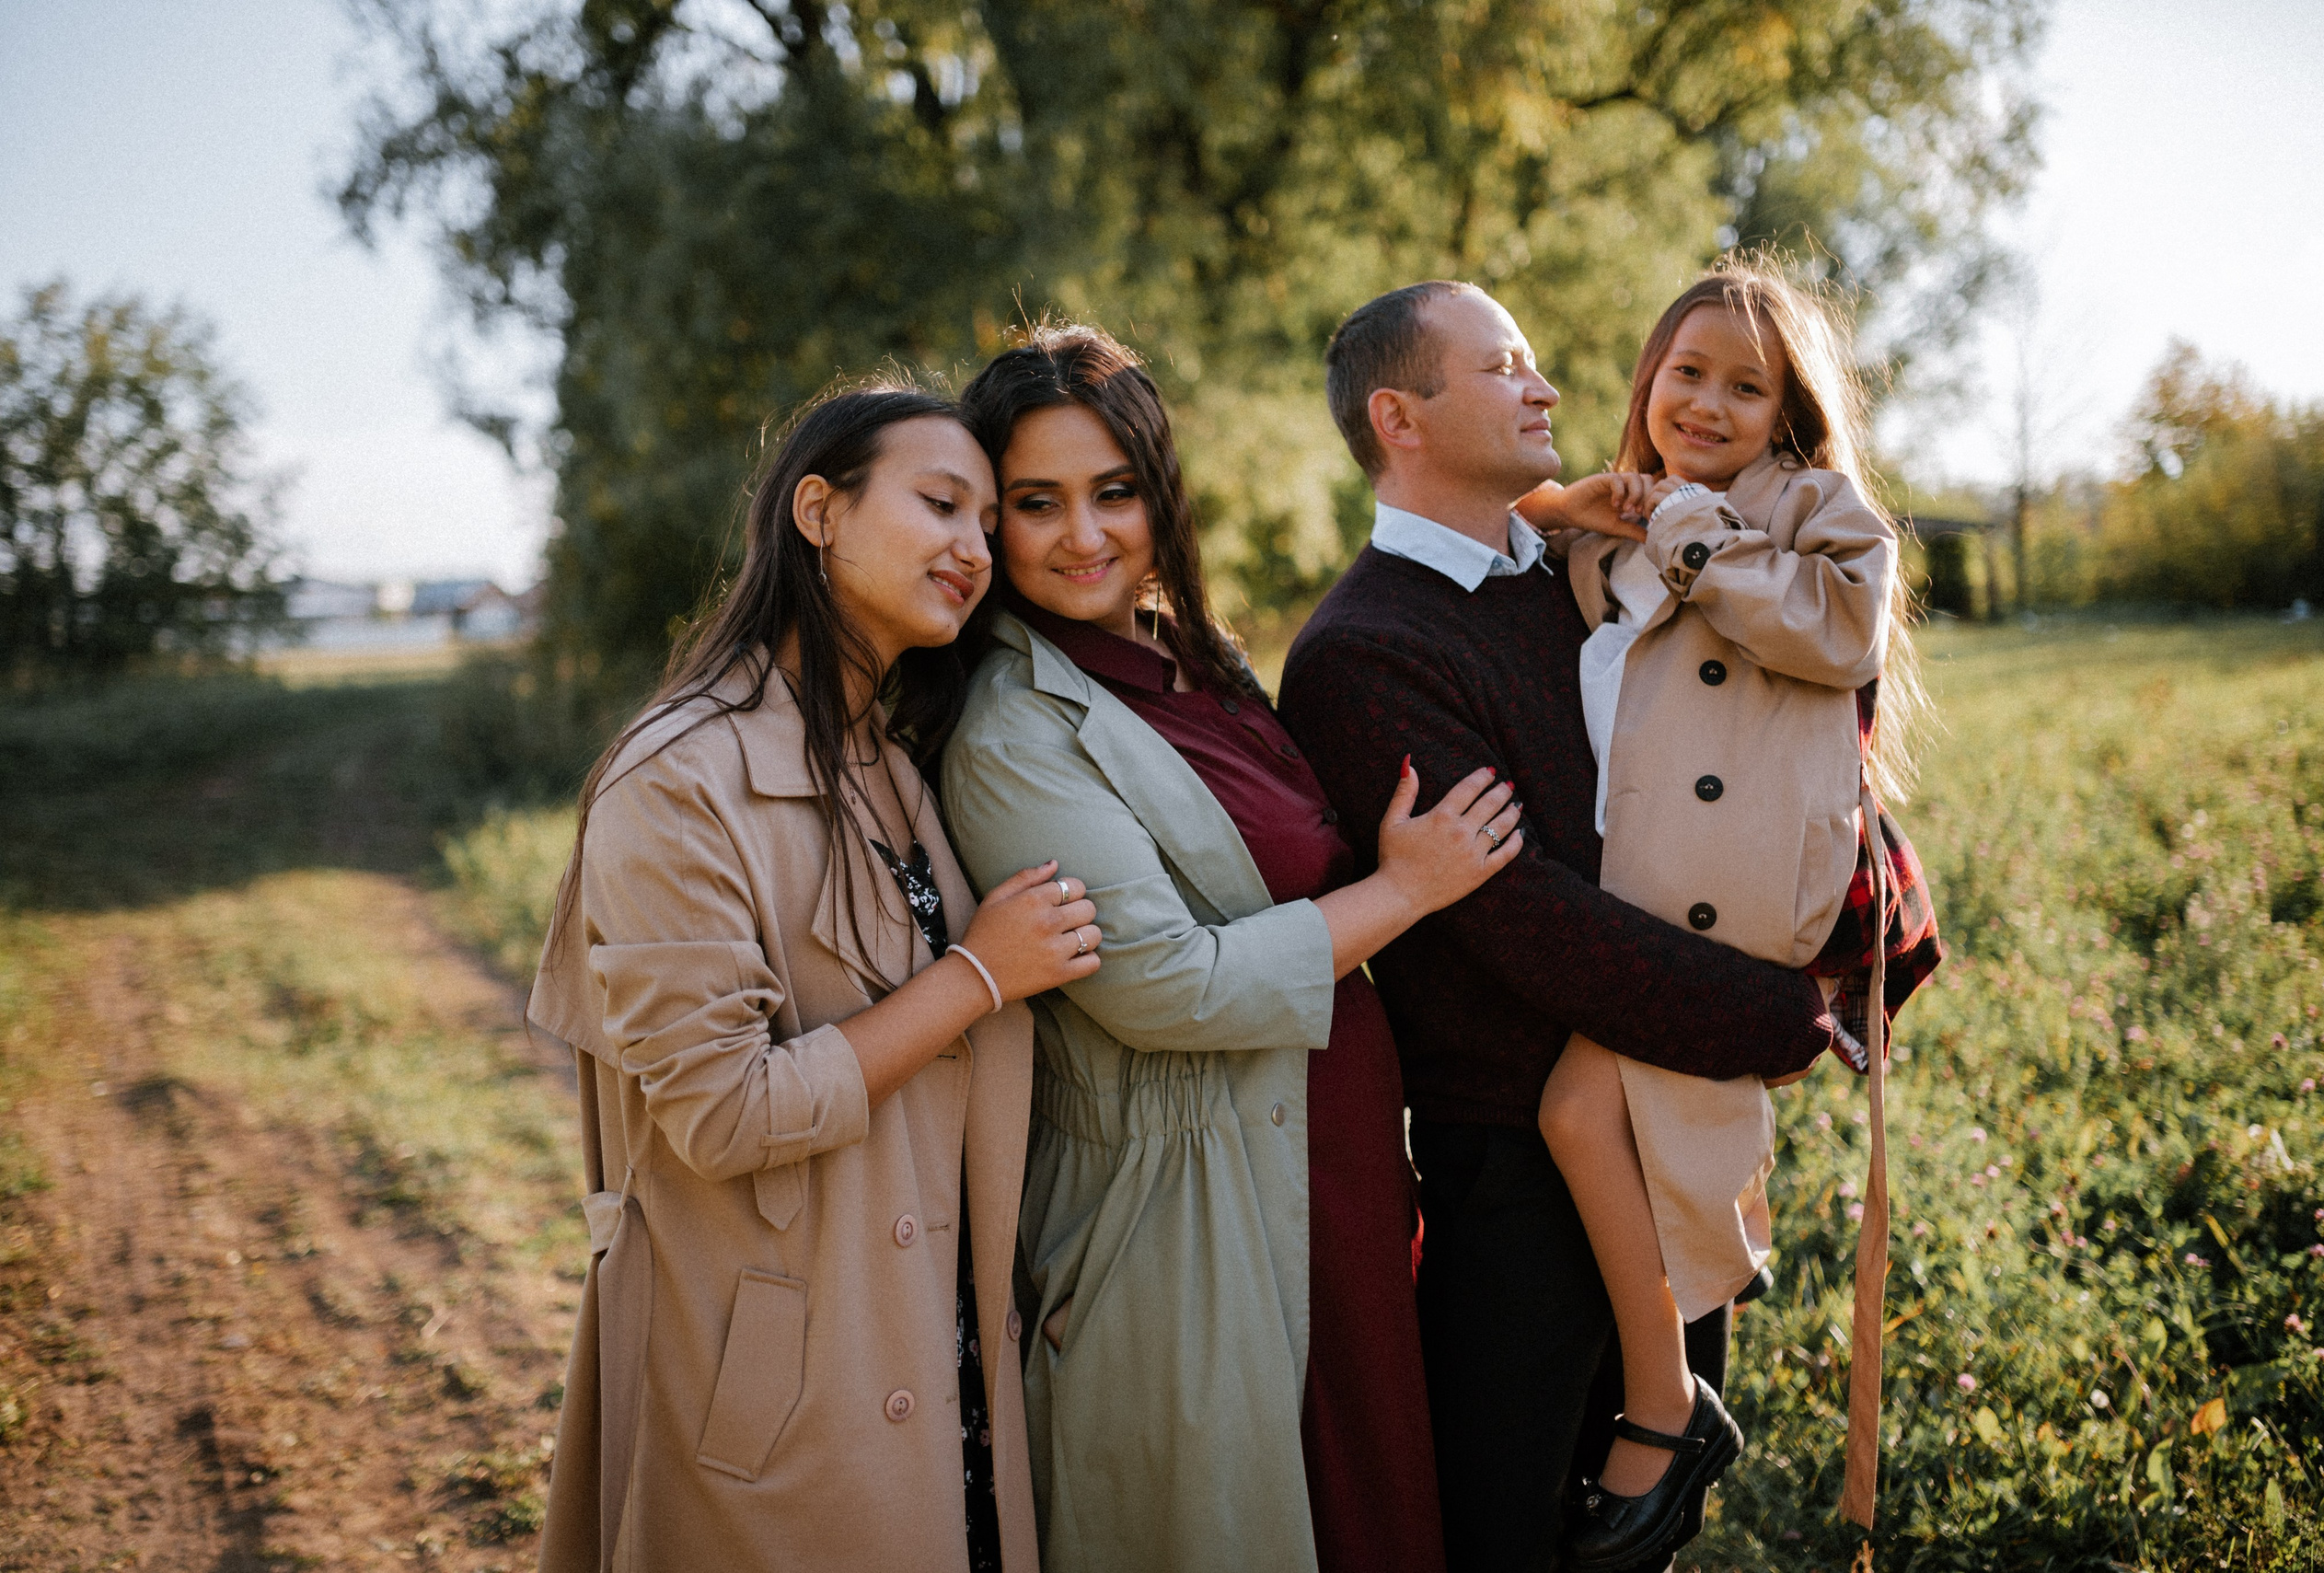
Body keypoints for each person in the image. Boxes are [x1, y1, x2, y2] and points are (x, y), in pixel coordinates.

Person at [1277, 281, 1845, 1573]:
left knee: (1642, 1538)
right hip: (1516, 1176)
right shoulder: (1364, 652)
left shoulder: (1581, 579)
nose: (1545, 387)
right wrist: (1769, 1009)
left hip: (1662, 1114)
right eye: (1504, 366)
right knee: (1508, 1537)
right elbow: (1525, 919)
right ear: (1398, 416)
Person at [939, 324, 1519, 1573]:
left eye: (1115, 492)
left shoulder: (1189, 656)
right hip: (1191, 1213)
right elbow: (1162, 985)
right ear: (989, 522)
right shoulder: (1010, 734)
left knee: (1372, 1517)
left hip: (1333, 1172)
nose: (1084, 535)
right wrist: (1411, 889)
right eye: (1037, 504)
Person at [527, 385, 1103, 1573]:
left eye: (991, 523)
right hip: (787, 1389)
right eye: (941, 502)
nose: (975, 547)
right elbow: (723, 1110)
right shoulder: (679, 778)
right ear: (818, 512)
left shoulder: (886, 761)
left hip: (938, 1354)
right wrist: (978, 975)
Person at [1513, 259, 1945, 1568]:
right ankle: (1664, 1395)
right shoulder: (1626, 513)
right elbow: (1538, 572)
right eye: (1684, 372)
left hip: (1729, 888)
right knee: (1606, 1124)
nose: (1706, 402)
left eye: (1744, 386)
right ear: (1646, 380)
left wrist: (1691, 534)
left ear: (1787, 410)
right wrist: (1580, 507)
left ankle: (1668, 1407)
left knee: (1585, 1111)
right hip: (1643, 882)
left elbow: (1842, 630)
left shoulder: (1814, 507)